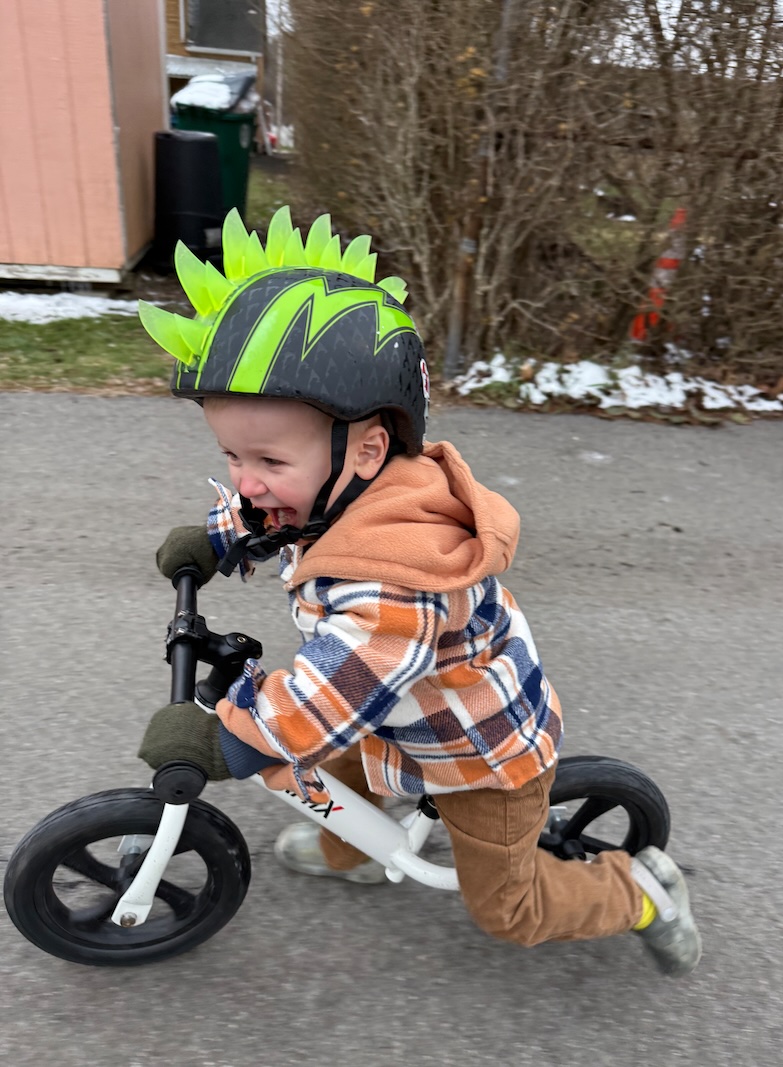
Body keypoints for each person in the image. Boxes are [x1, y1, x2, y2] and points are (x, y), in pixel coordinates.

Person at [138, 206, 701, 977]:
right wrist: (221, 534)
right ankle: (358, 849)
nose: (247, 479)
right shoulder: (346, 485)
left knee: (509, 908)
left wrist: (232, 737)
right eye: (232, 455)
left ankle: (641, 892)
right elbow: (277, 513)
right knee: (328, 765)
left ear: (366, 447)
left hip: (477, 752)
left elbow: (341, 684)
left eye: (266, 457)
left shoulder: (394, 575)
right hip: (407, 713)